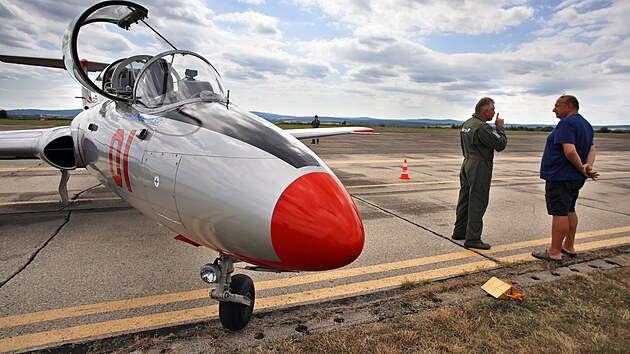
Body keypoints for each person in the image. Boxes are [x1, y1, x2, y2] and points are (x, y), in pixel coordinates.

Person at [532, 95, 598, 263]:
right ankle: (569, 245)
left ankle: (554, 251)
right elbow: (592, 149)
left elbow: (569, 151)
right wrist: (586, 166)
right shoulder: (586, 125)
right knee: (570, 209)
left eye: (557, 106)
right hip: (574, 178)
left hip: (561, 176)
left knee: (559, 212)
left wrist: (578, 167)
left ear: (568, 107)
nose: (554, 109)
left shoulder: (566, 123)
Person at [452, 97, 508, 250]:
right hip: (479, 165)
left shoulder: (467, 124)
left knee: (465, 198)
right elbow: (500, 144)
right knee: (478, 199)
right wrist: (500, 128)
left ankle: (459, 231)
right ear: (486, 111)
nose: (494, 113)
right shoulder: (482, 128)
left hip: (467, 162)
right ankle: (473, 238)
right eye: (493, 110)